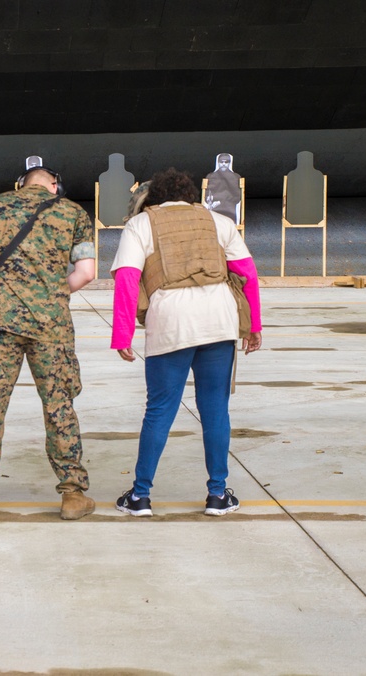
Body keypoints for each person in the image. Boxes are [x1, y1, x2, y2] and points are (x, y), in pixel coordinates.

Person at [110, 168, 263, 518]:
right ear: (192, 196)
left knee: (160, 409)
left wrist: (122, 335)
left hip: (171, 321)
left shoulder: (141, 225)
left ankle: (141, 496)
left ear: (154, 197)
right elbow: (247, 273)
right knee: (215, 409)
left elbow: (128, 279)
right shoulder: (218, 222)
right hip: (219, 321)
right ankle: (218, 495)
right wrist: (253, 326)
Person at [0, 165, 96, 521]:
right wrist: (56, 293)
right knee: (59, 405)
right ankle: (73, 494)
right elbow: (87, 272)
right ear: (54, 185)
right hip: (52, 325)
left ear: (20, 185)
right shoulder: (73, 212)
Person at [204, 153, 242, 224]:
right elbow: (206, 195)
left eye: (226, 162)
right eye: (221, 162)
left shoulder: (236, 177)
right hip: (213, 208)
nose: (223, 164)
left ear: (229, 163)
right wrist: (210, 200)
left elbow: (238, 197)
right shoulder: (211, 176)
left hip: (230, 208)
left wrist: (222, 201)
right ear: (218, 162)